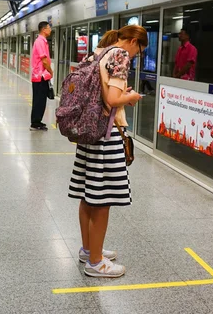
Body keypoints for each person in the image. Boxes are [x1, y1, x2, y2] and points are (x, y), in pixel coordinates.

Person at [68, 25, 147, 278]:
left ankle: (89, 249)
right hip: (106, 134)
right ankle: (96, 262)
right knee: (102, 201)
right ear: (134, 41)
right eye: (140, 50)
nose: (136, 55)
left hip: (88, 133)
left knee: (87, 193)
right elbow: (112, 99)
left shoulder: (98, 53)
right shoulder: (120, 56)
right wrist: (132, 97)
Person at [30, 22, 53, 131]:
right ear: (44, 29)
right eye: (49, 28)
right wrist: (50, 70)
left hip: (42, 76)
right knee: (39, 100)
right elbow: (44, 60)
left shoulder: (43, 41)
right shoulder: (40, 41)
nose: (50, 30)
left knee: (42, 100)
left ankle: (38, 121)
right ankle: (35, 123)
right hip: (39, 76)